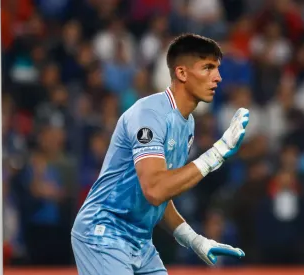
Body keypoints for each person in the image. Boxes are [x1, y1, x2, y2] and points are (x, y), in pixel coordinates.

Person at [71, 33, 248, 275]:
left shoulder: (187, 124)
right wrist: (217, 153)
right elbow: (154, 190)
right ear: (182, 73)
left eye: (217, 68)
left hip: (140, 241)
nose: (217, 77)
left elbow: (162, 192)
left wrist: (194, 240)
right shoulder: (149, 114)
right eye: (207, 68)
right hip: (104, 232)